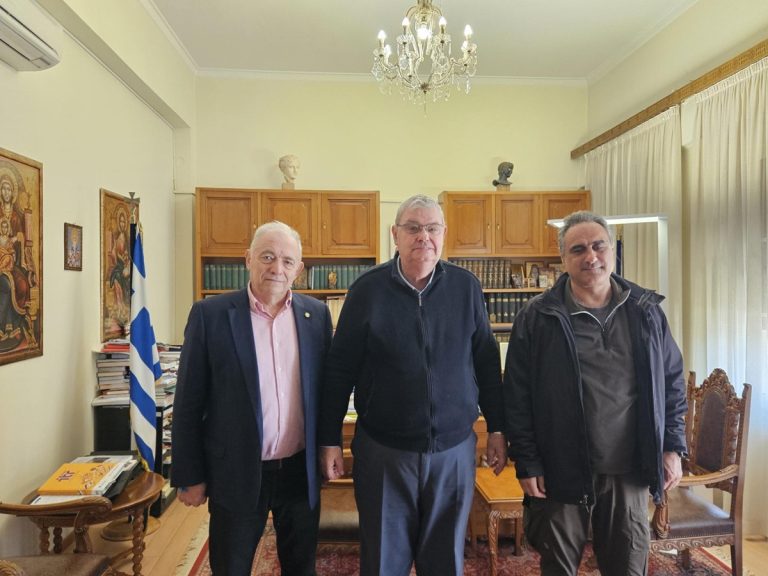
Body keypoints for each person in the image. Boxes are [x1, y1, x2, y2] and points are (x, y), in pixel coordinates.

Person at [319, 195, 507, 576]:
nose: (424, 236)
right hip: (384, 454)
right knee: (383, 562)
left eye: (432, 228)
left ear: (444, 234)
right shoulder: (366, 291)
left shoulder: (466, 288)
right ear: (395, 235)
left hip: (453, 452)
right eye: (414, 228)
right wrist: (328, 439)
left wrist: (499, 428)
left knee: (445, 561)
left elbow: (486, 363)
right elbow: (339, 370)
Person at [504, 210, 687, 576]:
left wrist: (672, 446)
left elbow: (672, 382)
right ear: (563, 258)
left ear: (612, 251)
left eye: (599, 246)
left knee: (628, 568)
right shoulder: (537, 317)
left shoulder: (645, 311)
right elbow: (517, 396)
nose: (591, 257)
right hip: (560, 469)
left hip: (629, 469)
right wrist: (527, 461)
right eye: (578, 249)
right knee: (558, 569)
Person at [171, 220, 333, 576]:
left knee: (301, 567)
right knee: (231, 567)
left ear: (299, 269)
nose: (277, 268)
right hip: (236, 470)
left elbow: (325, 393)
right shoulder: (211, 315)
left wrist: (327, 447)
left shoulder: (316, 315)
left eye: (287, 261)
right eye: (267, 257)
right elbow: (188, 402)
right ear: (248, 259)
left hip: (298, 471)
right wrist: (189, 474)